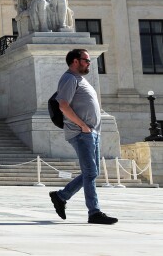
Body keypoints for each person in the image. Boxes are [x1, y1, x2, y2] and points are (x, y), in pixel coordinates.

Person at [49, 49, 118, 224]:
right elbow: (63, 105)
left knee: (92, 172)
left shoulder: (80, 79)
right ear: (75, 61)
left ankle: (61, 196)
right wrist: (83, 126)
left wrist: (91, 129)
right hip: (81, 133)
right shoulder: (69, 78)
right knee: (90, 172)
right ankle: (94, 212)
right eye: (86, 60)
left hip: (91, 133)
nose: (89, 63)